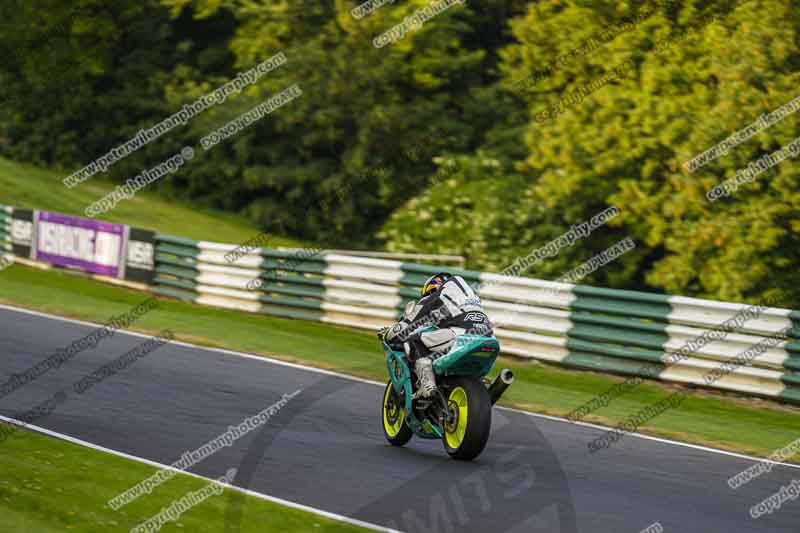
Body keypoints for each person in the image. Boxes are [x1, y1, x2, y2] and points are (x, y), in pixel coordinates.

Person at [378, 272, 493, 398]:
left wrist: (388, 334)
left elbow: (408, 325)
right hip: (488, 338)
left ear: (430, 288)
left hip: (460, 335)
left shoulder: (432, 298)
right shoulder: (470, 297)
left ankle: (427, 385)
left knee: (413, 342)